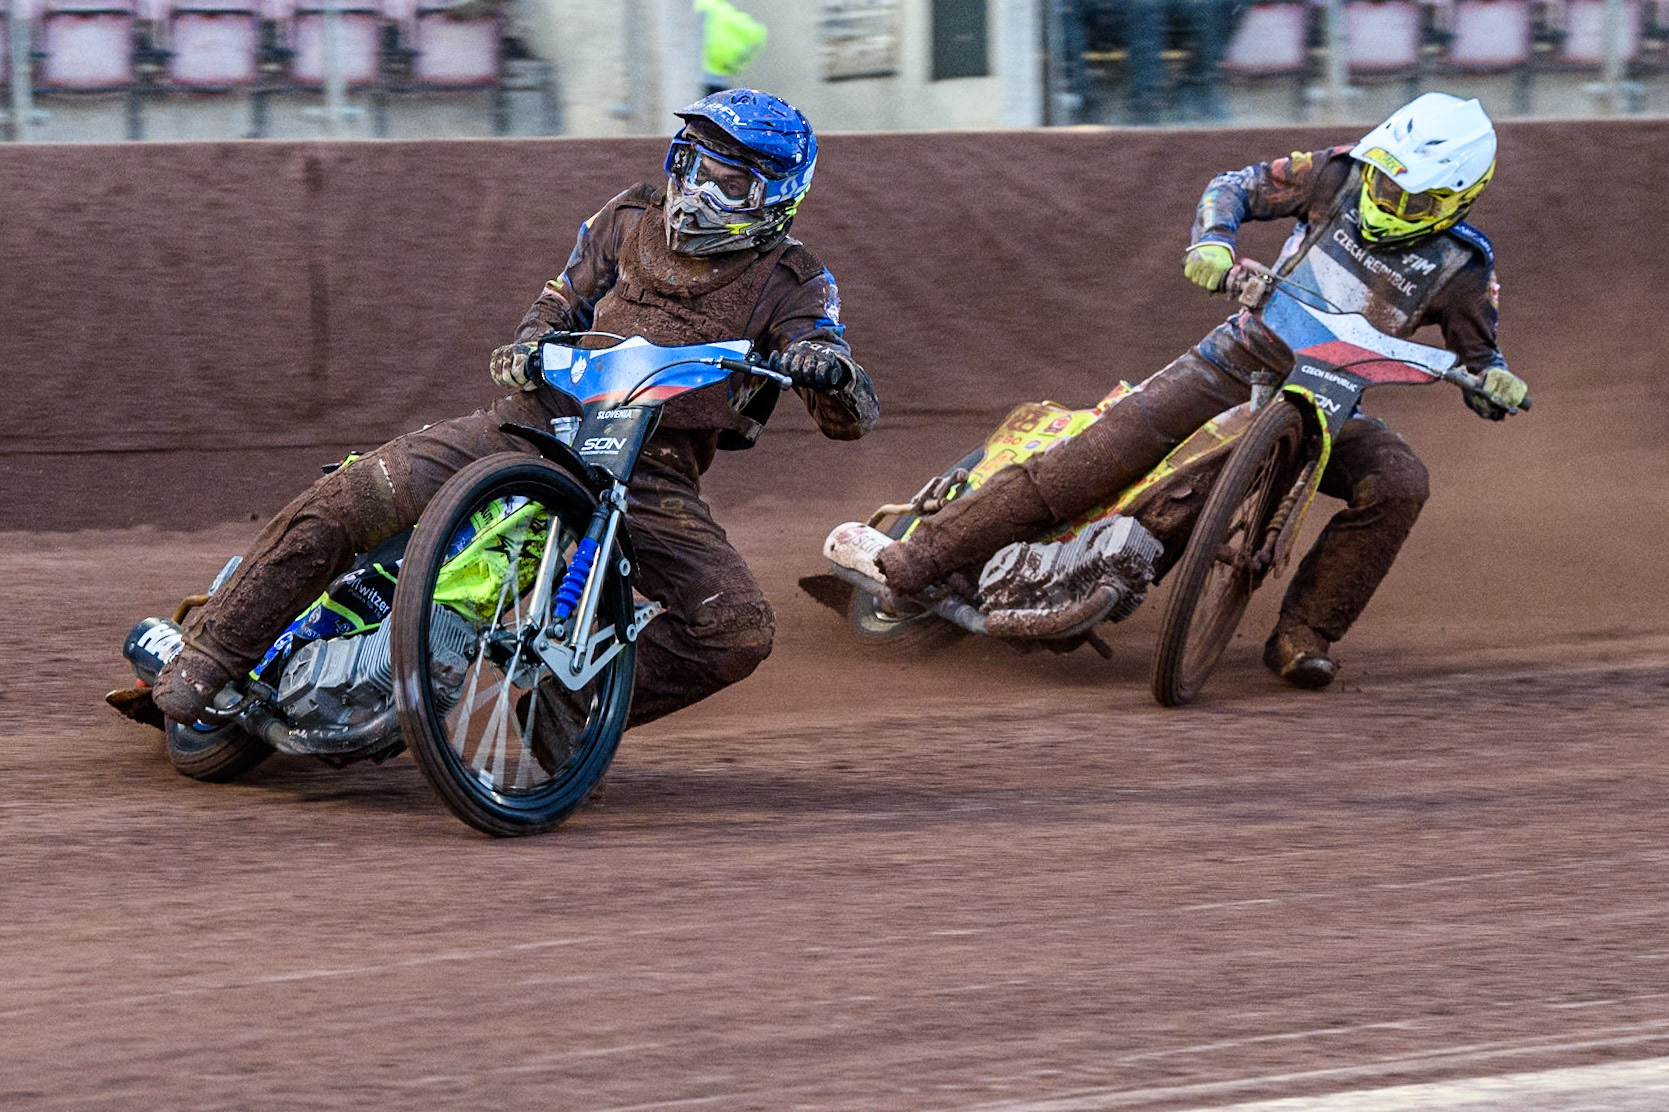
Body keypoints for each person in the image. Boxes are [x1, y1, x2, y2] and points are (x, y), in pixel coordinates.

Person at [153, 88, 878, 731]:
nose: (695, 193)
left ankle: (568, 714)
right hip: (533, 422)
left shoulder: (793, 281)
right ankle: (210, 656)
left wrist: (827, 372)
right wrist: (531, 341)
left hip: (651, 473)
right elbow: (561, 299)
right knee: (355, 493)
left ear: (776, 196)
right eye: (689, 164)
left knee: (736, 630)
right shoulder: (629, 215)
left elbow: (847, 408)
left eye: (728, 183)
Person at [870, 92, 1526, 689]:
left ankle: (1305, 633)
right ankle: (919, 558)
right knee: (1094, 460)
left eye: (1411, 198)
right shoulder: (1333, 173)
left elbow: (1478, 359)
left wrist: (1490, 382)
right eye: (1383, 180)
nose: (1385, 199)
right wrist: (1212, 242)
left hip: (1332, 407)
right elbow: (1233, 186)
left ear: (1455, 200)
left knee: (1400, 482)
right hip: (1235, 360)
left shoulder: (1464, 271)